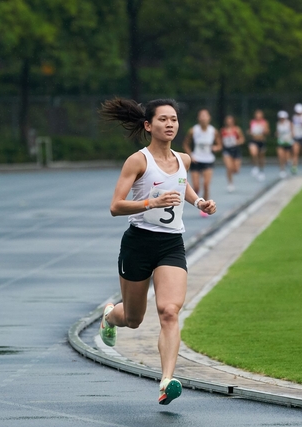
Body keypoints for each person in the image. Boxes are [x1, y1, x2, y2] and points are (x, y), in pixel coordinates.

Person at [98, 98, 217, 405]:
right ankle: (111, 316)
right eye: (163, 119)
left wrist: (199, 202)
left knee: (169, 311)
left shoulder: (184, 159)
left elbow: (182, 184)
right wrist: (151, 203)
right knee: (134, 319)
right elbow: (115, 207)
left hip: (171, 245)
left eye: (174, 119)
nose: (170, 124)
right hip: (138, 243)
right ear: (149, 126)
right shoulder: (137, 161)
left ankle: (167, 380)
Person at [182, 109, 222, 217]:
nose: (203, 118)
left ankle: (205, 206)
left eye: (205, 116)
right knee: (196, 186)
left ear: (209, 118)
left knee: (206, 184)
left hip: (208, 160)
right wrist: (191, 155)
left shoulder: (213, 131)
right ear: (198, 118)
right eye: (201, 116)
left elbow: (219, 145)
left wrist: (215, 148)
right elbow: (186, 144)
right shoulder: (193, 131)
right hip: (196, 160)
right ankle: (196, 198)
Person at [220, 115, 245, 192]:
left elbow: (242, 139)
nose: (229, 122)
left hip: (236, 150)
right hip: (227, 150)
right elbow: (220, 141)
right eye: (227, 120)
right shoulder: (222, 130)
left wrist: (237, 142)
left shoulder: (237, 129)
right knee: (229, 167)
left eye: (230, 120)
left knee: (236, 170)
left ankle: (231, 176)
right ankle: (230, 183)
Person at [247, 109, 269, 181]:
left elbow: (267, 132)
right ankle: (255, 167)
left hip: (261, 141)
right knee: (254, 153)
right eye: (257, 115)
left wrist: (263, 130)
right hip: (254, 141)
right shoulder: (252, 122)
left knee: (261, 158)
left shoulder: (264, 122)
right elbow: (250, 130)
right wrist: (250, 132)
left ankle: (261, 171)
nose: (258, 116)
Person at [291, 103, 302, 175]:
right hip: (296, 137)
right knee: (295, 152)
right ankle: (294, 167)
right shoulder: (294, 117)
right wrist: (292, 133)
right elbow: (292, 126)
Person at [276, 111, 293, 178]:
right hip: (281, 142)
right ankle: (282, 170)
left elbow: (292, 132)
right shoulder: (278, 124)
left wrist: (290, 137)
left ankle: (289, 163)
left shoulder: (289, 123)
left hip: (288, 142)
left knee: (286, 158)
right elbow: (278, 132)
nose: (282, 119)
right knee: (281, 157)